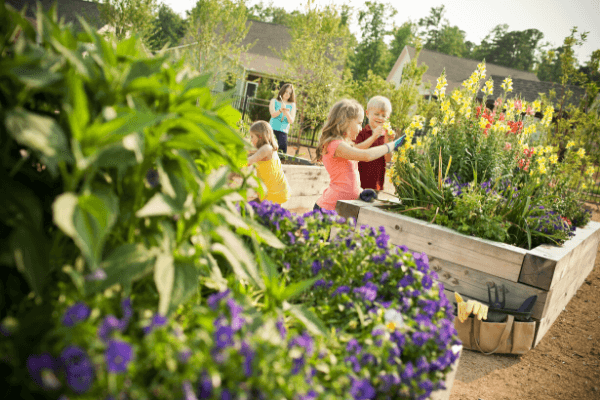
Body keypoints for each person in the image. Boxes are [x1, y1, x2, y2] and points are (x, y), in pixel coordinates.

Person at [313, 99, 405, 212]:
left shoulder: (342, 144)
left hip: (341, 208)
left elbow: (356, 154)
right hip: (328, 209)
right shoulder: (336, 145)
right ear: (346, 121)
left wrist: (360, 192)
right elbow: (366, 155)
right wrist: (392, 145)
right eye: (359, 123)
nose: (361, 128)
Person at [354, 96, 394, 191]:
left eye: (383, 116)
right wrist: (373, 137)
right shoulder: (361, 133)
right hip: (358, 182)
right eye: (377, 114)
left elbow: (388, 159)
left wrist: (389, 141)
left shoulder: (385, 136)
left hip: (376, 185)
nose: (380, 118)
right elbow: (355, 152)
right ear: (367, 113)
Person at [247, 120, 291, 205]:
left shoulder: (266, 149)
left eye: (252, 137)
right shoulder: (265, 149)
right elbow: (249, 150)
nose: (250, 140)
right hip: (274, 191)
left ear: (260, 137)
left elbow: (248, 162)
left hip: (274, 193)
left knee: (251, 209)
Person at [269, 83, 296, 155]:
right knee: (269, 151)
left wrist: (286, 113)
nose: (287, 94)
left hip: (283, 132)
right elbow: (273, 115)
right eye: (286, 91)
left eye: (289, 93)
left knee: (282, 153)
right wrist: (280, 110)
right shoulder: (274, 101)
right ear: (282, 91)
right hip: (272, 129)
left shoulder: (292, 105)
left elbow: (291, 121)